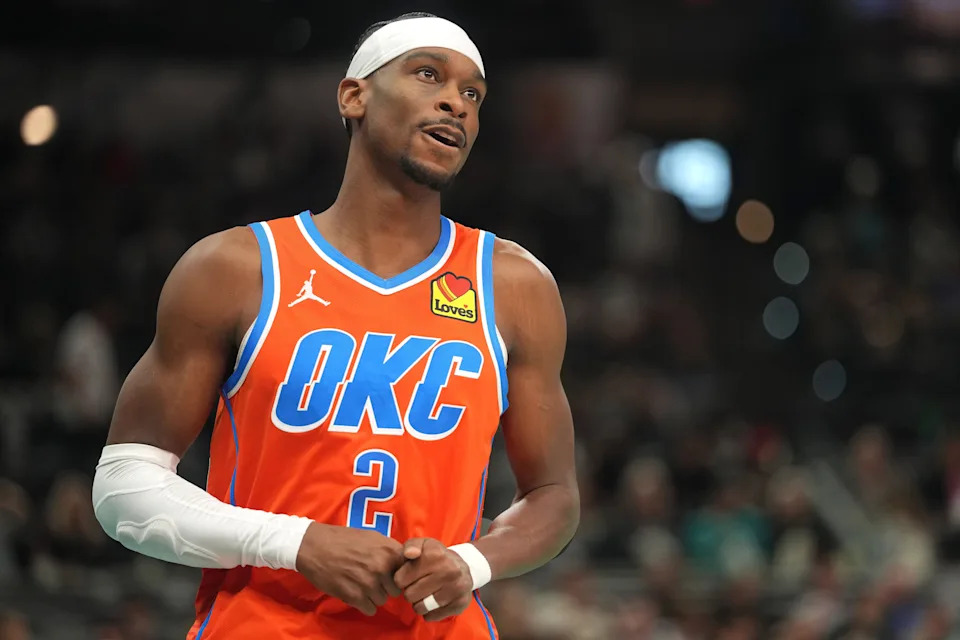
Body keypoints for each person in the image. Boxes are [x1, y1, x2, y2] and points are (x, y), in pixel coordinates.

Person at [91, 12, 580, 640]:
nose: (454, 103)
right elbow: (124, 485)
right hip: (264, 623)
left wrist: (472, 560)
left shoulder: (515, 285)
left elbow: (554, 495)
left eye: (472, 95)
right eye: (428, 74)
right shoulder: (237, 268)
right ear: (354, 95)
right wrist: (293, 543)